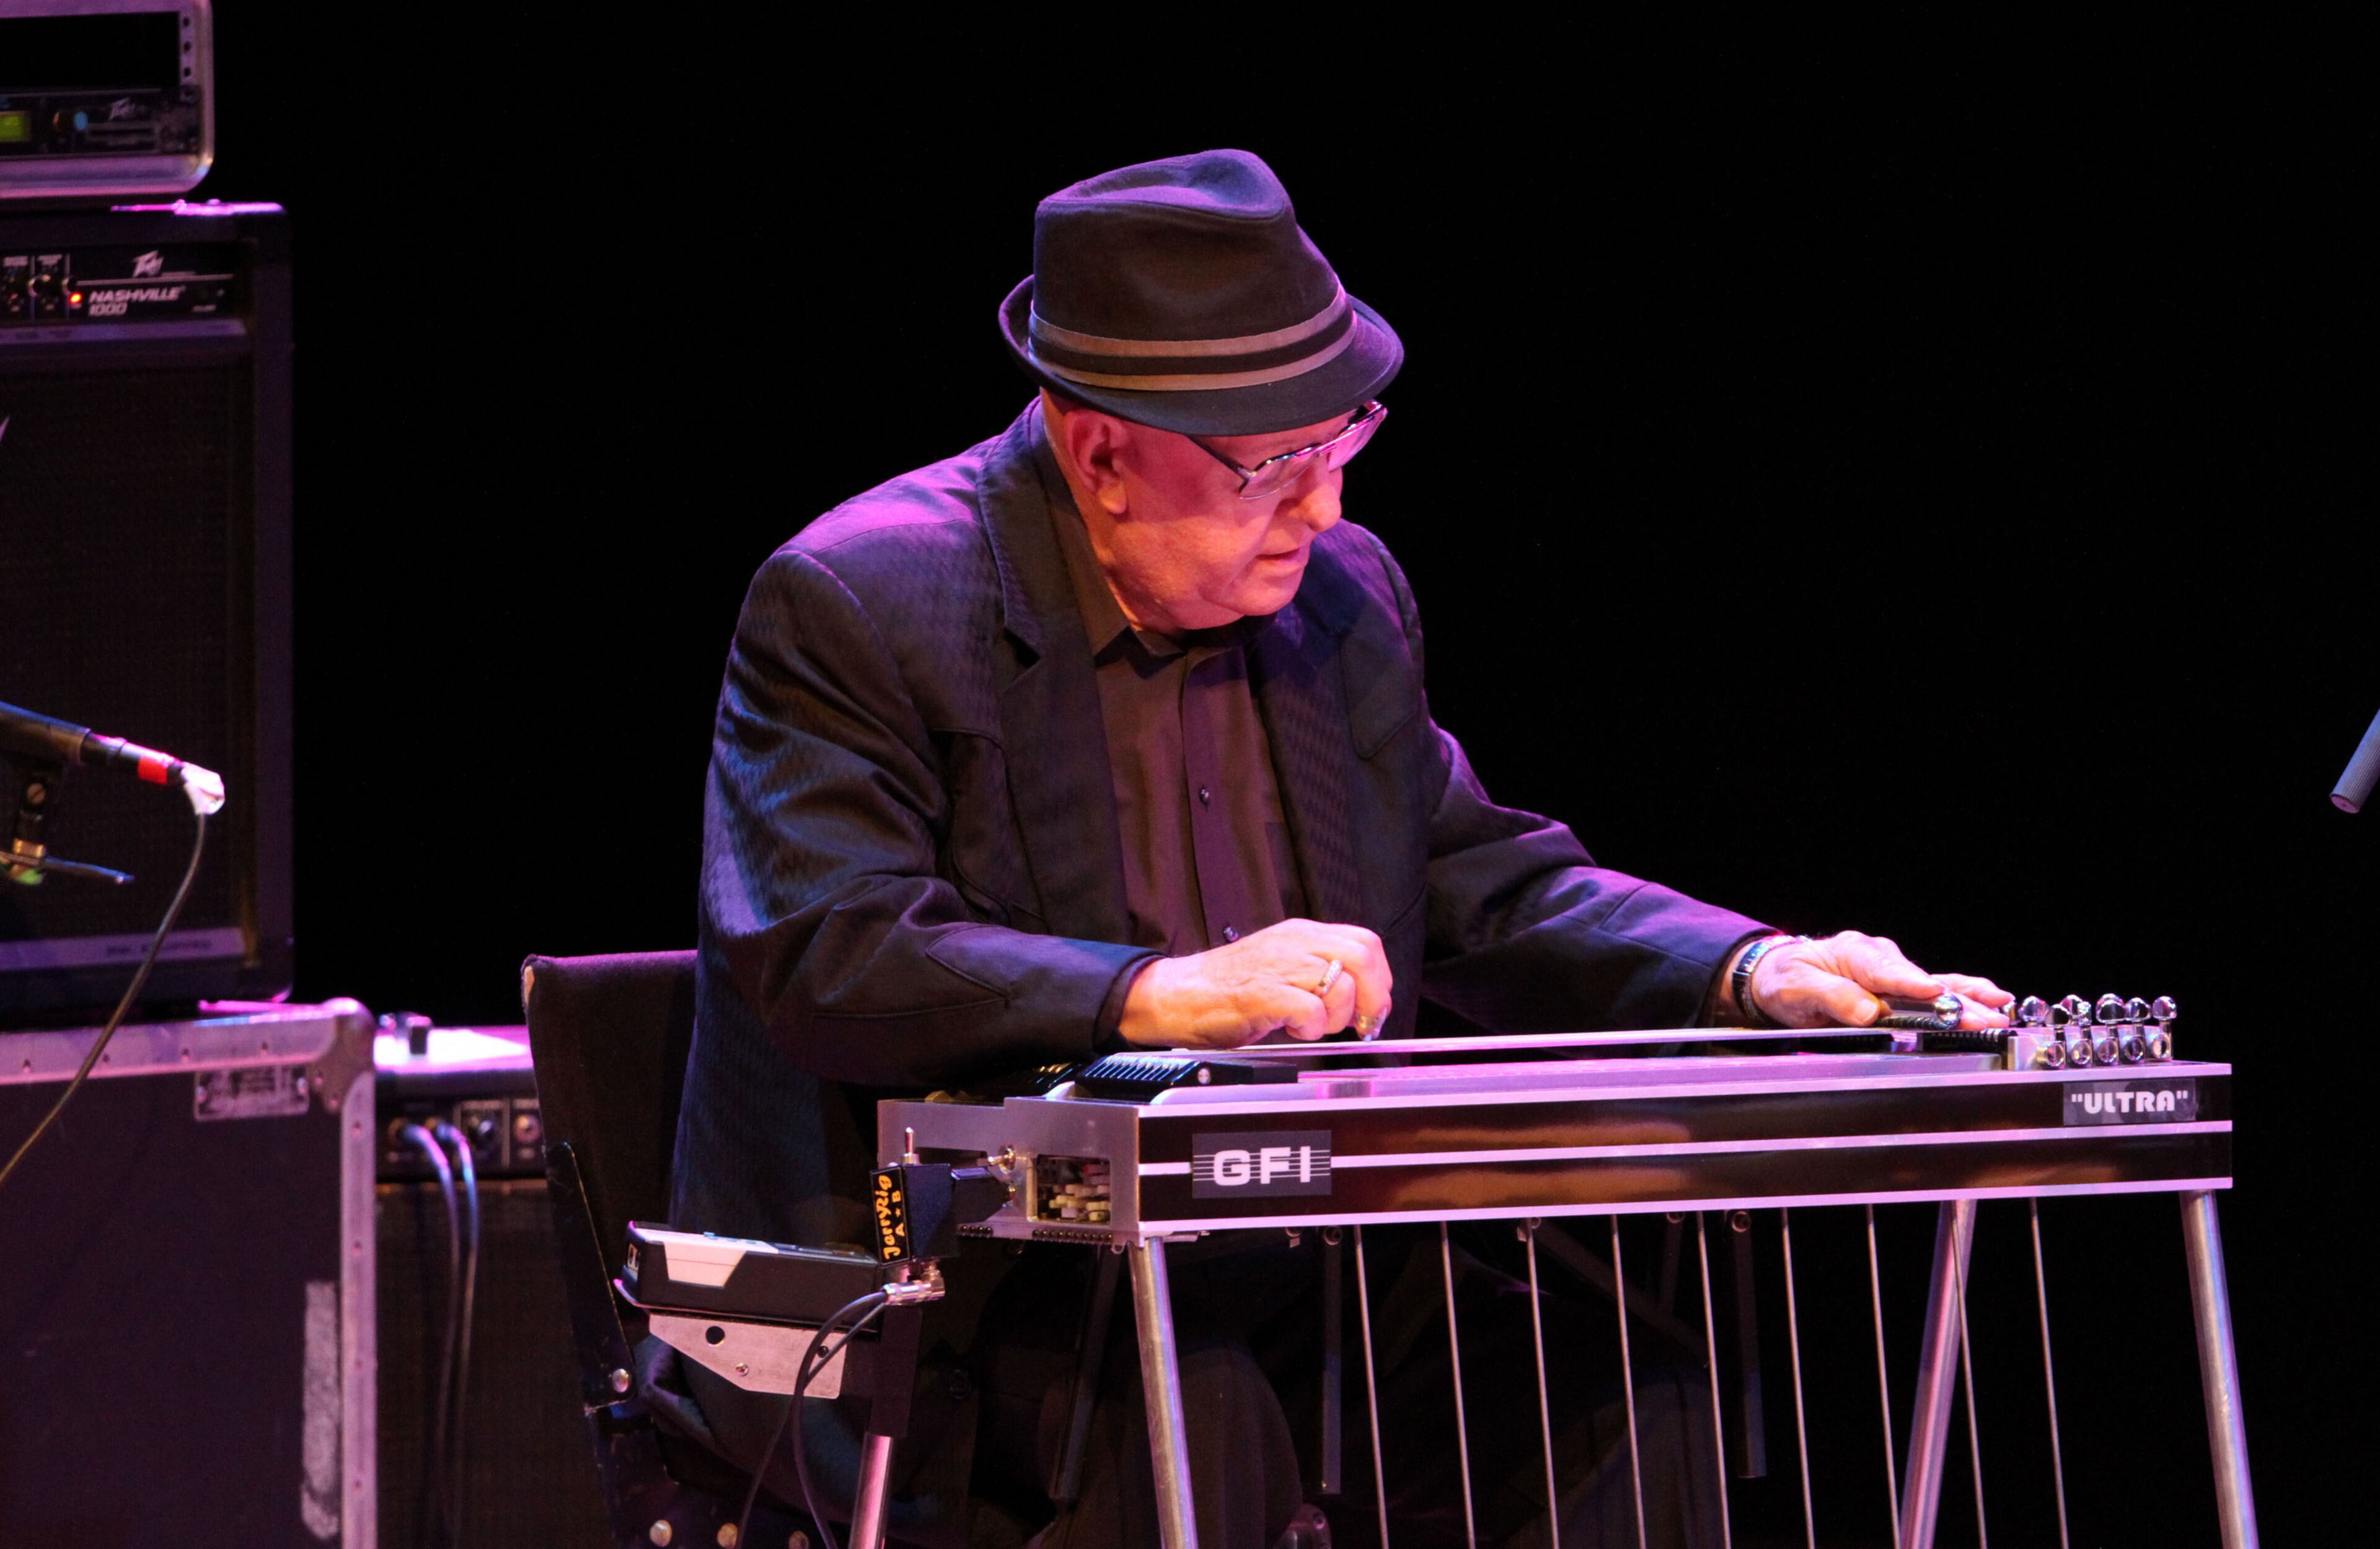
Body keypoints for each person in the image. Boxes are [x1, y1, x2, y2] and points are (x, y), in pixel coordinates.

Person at [663, 149, 2012, 1548]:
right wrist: (1150, 991)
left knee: (1625, 1389)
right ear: (1103, 456)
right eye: (1273, 467)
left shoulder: (1343, 601)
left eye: (1342, 446)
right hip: (974, 1311)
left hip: (1303, 1284)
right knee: (1199, 1404)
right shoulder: (860, 599)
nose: (1325, 510)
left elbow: (1482, 880)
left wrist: (1753, 966)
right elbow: (829, 945)